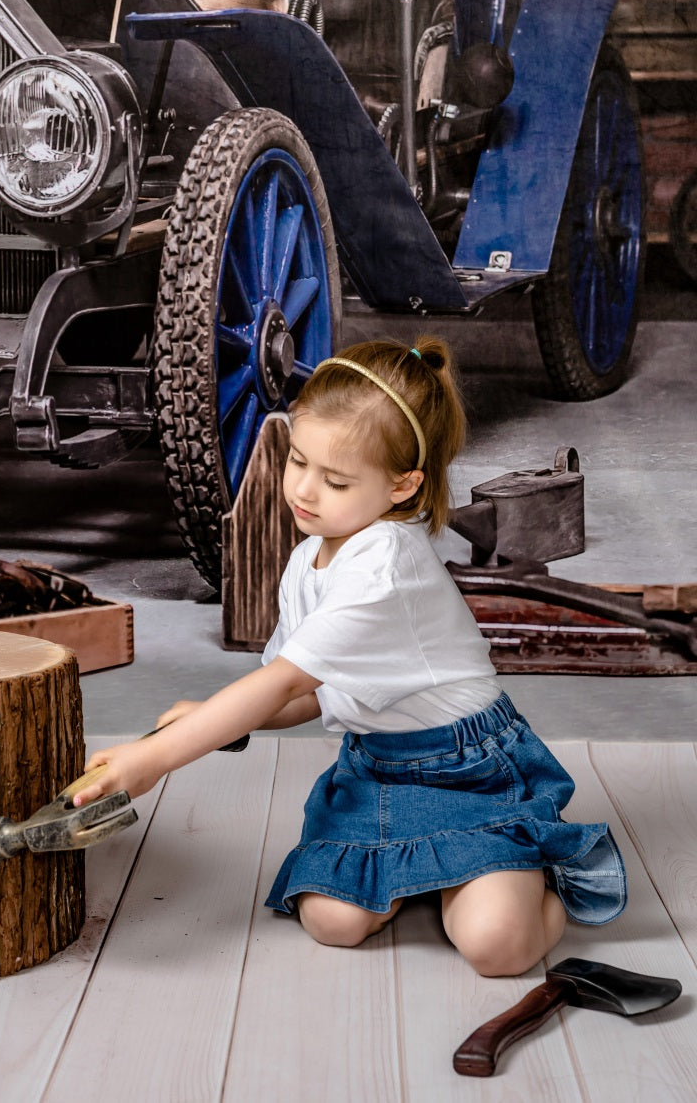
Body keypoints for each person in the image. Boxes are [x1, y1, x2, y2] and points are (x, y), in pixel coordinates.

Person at [74, 338, 627, 976]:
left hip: (472, 771)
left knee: (496, 950)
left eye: (336, 480)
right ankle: (441, 873)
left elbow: (284, 683)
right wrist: (221, 720)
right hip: (379, 768)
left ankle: (527, 873)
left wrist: (153, 759)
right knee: (332, 921)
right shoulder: (308, 558)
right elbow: (304, 698)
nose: (305, 491)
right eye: (297, 461)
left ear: (403, 484)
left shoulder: (384, 567)